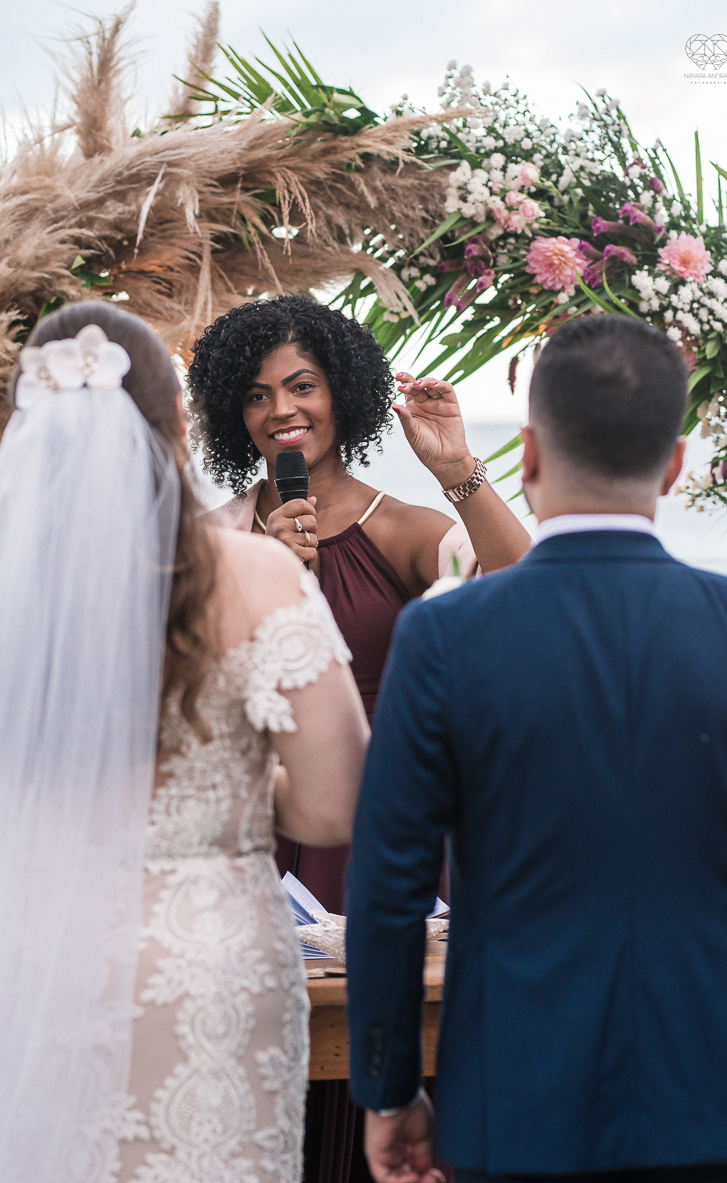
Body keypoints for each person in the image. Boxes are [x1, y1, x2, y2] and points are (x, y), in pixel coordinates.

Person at [346, 313, 727, 1183]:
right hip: (724, 1096)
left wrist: (389, 1093)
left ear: (528, 457)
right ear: (675, 464)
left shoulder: (444, 637)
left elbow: (388, 889)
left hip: (516, 1102)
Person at [0, 300, 368, 1183]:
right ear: (179, 424)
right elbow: (335, 802)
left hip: (34, 954)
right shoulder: (254, 570)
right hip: (206, 961)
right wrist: (230, 782)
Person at [188, 294, 531, 915]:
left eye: (302, 387)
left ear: (341, 394)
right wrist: (265, 575)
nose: (282, 410)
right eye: (256, 395)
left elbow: (528, 598)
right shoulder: (211, 541)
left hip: (386, 819)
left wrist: (457, 468)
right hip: (254, 819)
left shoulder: (403, 530)